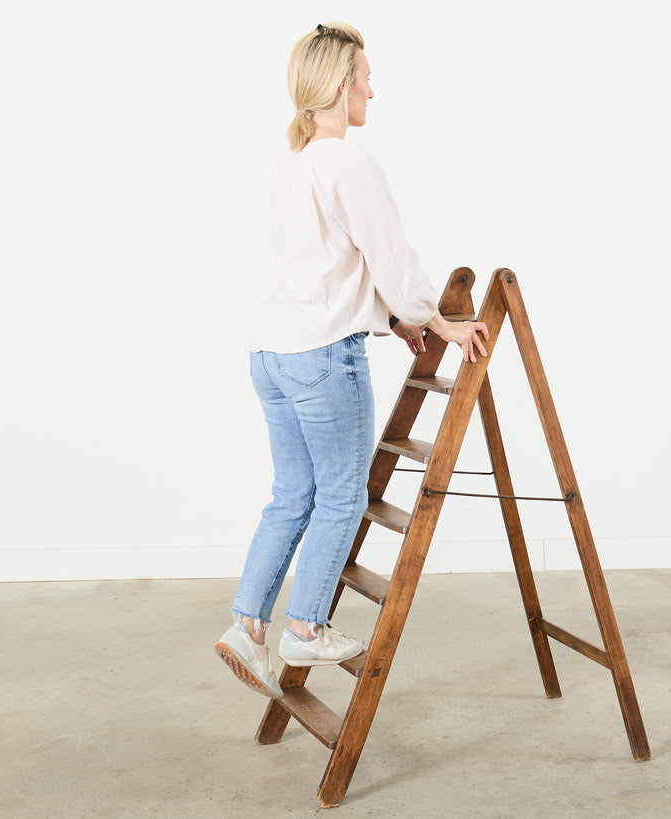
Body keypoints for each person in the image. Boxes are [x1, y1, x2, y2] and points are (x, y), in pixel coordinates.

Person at [214, 22, 489, 698]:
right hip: (320, 355)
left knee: (292, 493)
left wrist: (394, 321)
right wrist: (433, 317)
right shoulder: (347, 161)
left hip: (271, 350)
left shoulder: (294, 164)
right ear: (341, 86)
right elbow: (388, 255)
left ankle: (246, 624)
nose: (373, 87)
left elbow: (333, 266)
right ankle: (306, 627)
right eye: (365, 75)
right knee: (341, 492)